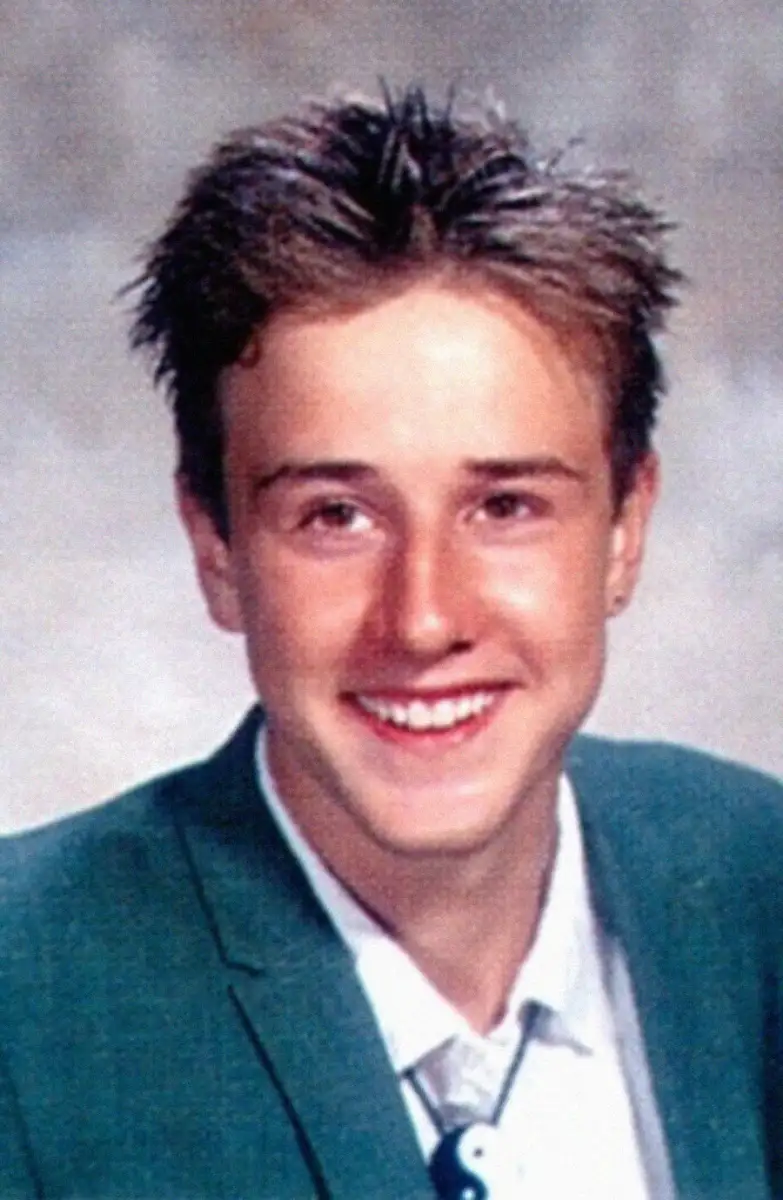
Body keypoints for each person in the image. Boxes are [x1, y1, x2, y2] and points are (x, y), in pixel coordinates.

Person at [0, 84, 780, 1200]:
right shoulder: (26, 998)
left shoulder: (757, 884)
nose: (421, 619)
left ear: (624, 531)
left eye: (504, 506)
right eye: (336, 517)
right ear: (216, 547)